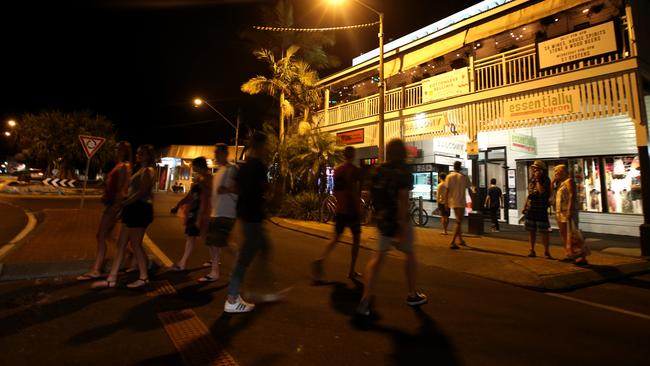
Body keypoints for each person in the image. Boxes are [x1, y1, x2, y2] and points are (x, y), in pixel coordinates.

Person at [357, 138, 427, 316]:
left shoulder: (377, 170)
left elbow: (368, 195)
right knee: (410, 255)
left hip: (382, 221)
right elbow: (403, 200)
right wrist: (402, 226)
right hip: (398, 221)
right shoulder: (403, 171)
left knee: (377, 258)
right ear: (402, 152)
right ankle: (412, 294)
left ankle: (365, 299)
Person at [92, 145, 157, 289]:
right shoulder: (139, 170)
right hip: (132, 208)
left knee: (135, 244)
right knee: (121, 244)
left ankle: (144, 277)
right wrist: (125, 205)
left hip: (141, 208)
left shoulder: (148, 170)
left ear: (149, 156)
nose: (139, 155)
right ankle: (112, 278)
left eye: (143, 153)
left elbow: (142, 192)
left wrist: (123, 204)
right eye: (138, 152)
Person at [224, 131, 272, 313]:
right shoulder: (259, 166)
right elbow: (262, 190)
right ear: (261, 146)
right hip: (253, 217)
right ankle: (232, 298)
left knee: (265, 249)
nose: (267, 148)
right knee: (244, 258)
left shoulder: (243, 166)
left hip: (245, 215)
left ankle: (260, 288)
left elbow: (236, 188)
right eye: (266, 145)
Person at [77, 141, 133, 281]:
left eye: (118, 149)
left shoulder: (124, 167)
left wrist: (116, 206)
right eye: (116, 148)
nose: (116, 151)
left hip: (113, 206)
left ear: (124, 152)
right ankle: (133, 256)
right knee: (109, 236)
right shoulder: (119, 166)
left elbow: (122, 189)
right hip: (112, 204)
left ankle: (96, 269)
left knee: (101, 236)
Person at [313, 146, 362, 282]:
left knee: (335, 238)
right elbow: (354, 191)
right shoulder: (354, 171)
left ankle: (321, 259)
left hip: (340, 210)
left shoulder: (337, 170)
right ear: (353, 155)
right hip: (351, 211)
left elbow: (335, 191)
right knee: (356, 240)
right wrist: (358, 209)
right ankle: (351, 271)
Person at [202, 143, 238, 282]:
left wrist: (228, 190)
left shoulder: (232, 169)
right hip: (216, 212)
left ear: (225, 153)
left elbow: (241, 188)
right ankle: (215, 271)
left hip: (227, 213)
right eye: (215, 152)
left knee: (220, 243)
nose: (215, 155)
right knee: (214, 242)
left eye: (217, 152)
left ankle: (217, 271)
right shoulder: (219, 171)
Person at [169, 157, 212, 271]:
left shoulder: (207, 178)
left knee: (205, 238)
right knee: (195, 237)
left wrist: (200, 217)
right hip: (196, 212)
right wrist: (178, 205)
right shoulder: (199, 178)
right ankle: (183, 263)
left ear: (199, 165)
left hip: (201, 213)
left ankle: (183, 263)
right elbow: (191, 195)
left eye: (194, 165)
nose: (192, 167)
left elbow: (206, 197)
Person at [553, 165, 589, 265]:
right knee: (564, 235)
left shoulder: (569, 181)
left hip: (568, 211)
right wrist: (553, 181)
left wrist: (569, 210)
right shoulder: (560, 183)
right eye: (555, 172)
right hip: (560, 211)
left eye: (557, 171)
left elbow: (572, 195)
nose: (556, 174)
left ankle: (583, 257)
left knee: (574, 235)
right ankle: (569, 255)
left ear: (563, 172)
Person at [523, 160, 552, 259]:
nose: (534, 170)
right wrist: (525, 206)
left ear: (541, 170)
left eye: (536, 168)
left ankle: (546, 251)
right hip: (532, 208)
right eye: (533, 168)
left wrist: (538, 180)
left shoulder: (545, 179)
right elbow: (530, 194)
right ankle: (532, 250)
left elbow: (541, 192)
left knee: (544, 231)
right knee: (531, 230)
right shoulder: (532, 179)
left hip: (541, 208)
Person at [445, 161, 475, 249]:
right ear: (460, 167)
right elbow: (470, 188)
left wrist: (446, 202)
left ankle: (461, 240)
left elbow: (446, 190)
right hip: (461, 202)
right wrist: (472, 197)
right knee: (458, 221)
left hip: (452, 201)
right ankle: (452, 242)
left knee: (458, 221)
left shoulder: (449, 176)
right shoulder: (464, 177)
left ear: (453, 167)